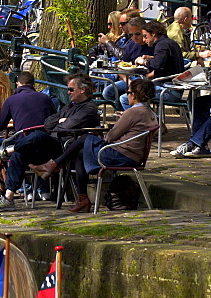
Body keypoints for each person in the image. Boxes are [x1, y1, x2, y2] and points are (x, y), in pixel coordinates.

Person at [35, 77, 157, 213]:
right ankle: (82, 198)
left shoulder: (133, 112)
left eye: (127, 92)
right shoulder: (149, 112)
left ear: (134, 94)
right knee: (80, 152)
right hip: (133, 155)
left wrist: (122, 121)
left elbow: (110, 137)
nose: (126, 95)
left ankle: (53, 166)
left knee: (85, 138)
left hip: (121, 155)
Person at [0, 74, 100, 212]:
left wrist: (60, 123)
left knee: (37, 135)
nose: (68, 92)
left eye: (71, 89)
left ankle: (6, 152)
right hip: (53, 146)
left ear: (82, 90)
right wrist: (60, 121)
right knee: (20, 153)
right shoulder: (68, 107)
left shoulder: (89, 108)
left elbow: (65, 127)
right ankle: (8, 197)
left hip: (67, 149)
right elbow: (47, 123)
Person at [118, 20, 184, 110]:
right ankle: (149, 119)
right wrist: (151, 58)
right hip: (174, 88)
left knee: (126, 98)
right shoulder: (169, 42)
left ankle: (149, 121)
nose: (144, 40)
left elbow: (157, 65)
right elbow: (166, 61)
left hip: (168, 90)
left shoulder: (161, 45)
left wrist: (143, 61)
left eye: (145, 36)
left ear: (153, 34)